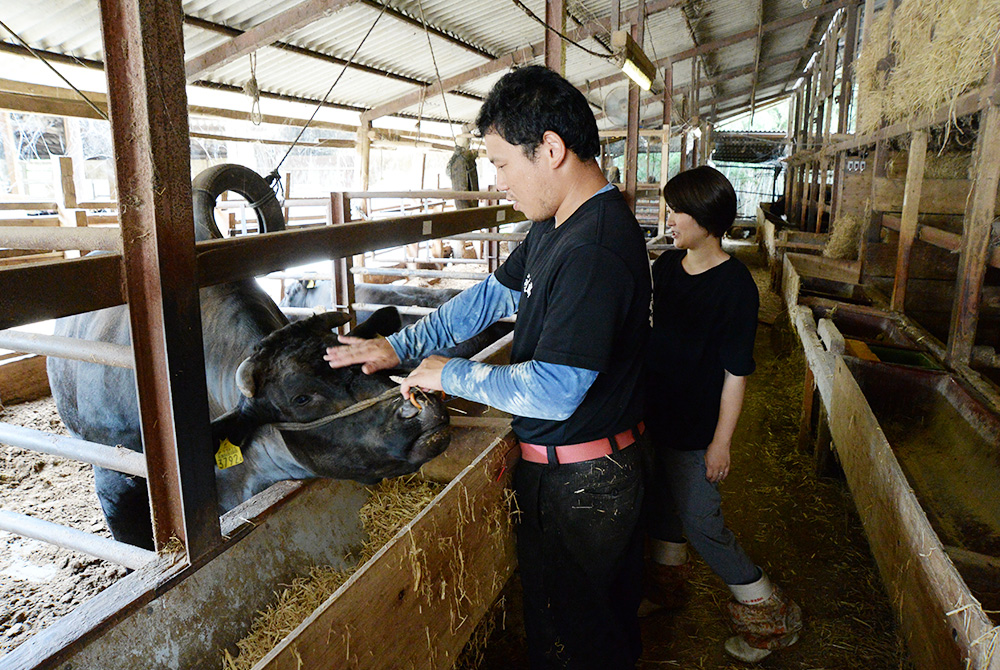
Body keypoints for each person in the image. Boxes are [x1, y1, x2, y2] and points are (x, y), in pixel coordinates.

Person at [324, 65, 651, 669]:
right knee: (571, 620)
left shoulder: (595, 249)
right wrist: (402, 346)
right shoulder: (558, 223)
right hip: (566, 471)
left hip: (585, 483)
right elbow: (491, 298)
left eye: (501, 164)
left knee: (578, 638)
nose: (497, 182)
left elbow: (555, 391)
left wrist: (450, 374)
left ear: (550, 149)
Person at [642, 166, 802, 663]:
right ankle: (669, 590)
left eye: (678, 211)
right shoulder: (665, 269)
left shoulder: (736, 287)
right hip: (656, 415)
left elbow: (737, 372)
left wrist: (721, 442)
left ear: (708, 219)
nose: (670, 219)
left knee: (703, 523)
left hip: (696, 429)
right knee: (662, 507)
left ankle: (774, 618)